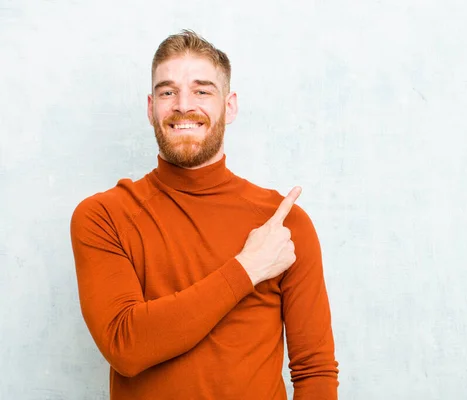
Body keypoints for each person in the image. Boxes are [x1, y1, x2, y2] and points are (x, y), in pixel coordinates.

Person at [70, 30, 339, 399]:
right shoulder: (104, 216)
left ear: (229, 106)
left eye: (202, 91)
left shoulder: (283, 224)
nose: (183, 105)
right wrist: (246, 269)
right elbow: (125, 346)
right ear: (151, 108)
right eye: (168, 92)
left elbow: (315, 370)